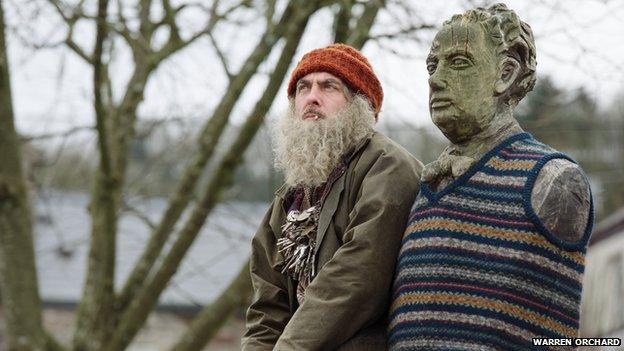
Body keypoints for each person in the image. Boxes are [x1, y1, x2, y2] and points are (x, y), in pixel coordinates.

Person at [389, 4, 593, 350]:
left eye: (458, 63)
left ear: (506, 74)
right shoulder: (423, 188)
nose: (435, 79)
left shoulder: (552, 179)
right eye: (432, 65)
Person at [242, 43, 423, 350]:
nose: (311, 97)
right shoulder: (290, 198)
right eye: (303, 87)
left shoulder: (387, 167)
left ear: (359, 105)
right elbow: (267, 309)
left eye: (329, 86)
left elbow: (357, 279)